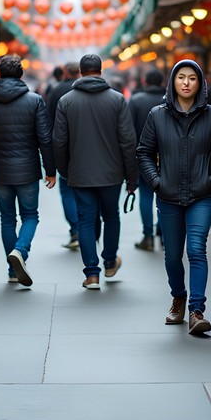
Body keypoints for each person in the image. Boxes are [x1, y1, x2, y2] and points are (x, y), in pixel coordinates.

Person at [136, 59, 211, 335]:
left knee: (196, 251)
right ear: (173, 82)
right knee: (172, 256)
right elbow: (143, 152)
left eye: (192, 78)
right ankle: (178, 296)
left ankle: (196, 310)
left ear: (200, 83)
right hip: (168, 196)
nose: (186, 83)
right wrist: (156, 182)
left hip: (201, 196)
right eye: (181, 78)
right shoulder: (157, 115)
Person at [52, 54, 138, 291]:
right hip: (112, 173)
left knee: (86, 221)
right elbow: (128, 141)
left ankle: (92, 274)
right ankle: (109, 261)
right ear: (101, 70)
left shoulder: (66, 101)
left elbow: (58, 140)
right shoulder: (118, 100)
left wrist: (64, 170)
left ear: (80, 71)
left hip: (79, 172)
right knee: (111, 217)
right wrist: (132, 176)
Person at [0, 55, 56, 287]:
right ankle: (20, 251)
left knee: (7, 218)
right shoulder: (35, 100)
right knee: (30, 215)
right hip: (27, 168)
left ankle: (12, 269)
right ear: (20, 74)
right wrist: (50, 170)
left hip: (0, 170)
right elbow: (45, 139)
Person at [128, 68, 166, 251]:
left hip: (143, 156)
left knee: (145, 195)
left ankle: (148, 236)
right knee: (166, 196)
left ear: (145, 81)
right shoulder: (170, 101)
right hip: (169, 156)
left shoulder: (135, 101)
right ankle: (165, 235)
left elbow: (128, 132)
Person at [47, 61, 82, 249]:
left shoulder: (55, 90)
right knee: (85, 191)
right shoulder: (84, 89)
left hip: (63, 147)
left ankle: (76, 229)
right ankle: (85, 228)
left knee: (67, 190)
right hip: (85, 148)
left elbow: (49, 119)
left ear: (64, 72)